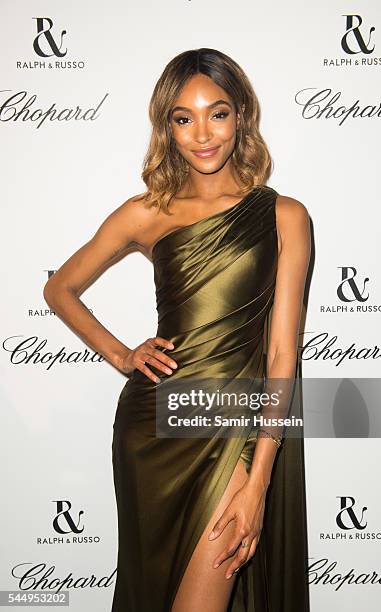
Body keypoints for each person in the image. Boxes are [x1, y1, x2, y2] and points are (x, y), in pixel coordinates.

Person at [43, 48, 311, 612]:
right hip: (154, 426)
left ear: (242, 115)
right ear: (167, 126)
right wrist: (121, 355)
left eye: (217, 113)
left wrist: (258, 483)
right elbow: (59, 289)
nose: (202, 133)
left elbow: (283, 355)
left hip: (237, 429)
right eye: (182, 118)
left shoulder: (285, 215)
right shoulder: (146, 212)